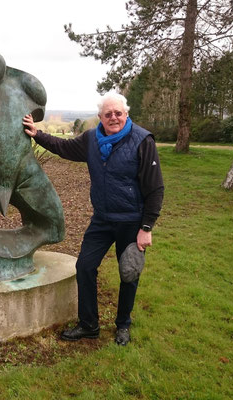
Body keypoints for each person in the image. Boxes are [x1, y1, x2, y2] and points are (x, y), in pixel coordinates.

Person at [22, 91, 164, 346]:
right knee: (85, 267)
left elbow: (155, 188)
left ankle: (123, 325)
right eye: (108, 114)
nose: (113, 117)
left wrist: (146, 227)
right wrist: (37, 134)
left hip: (132, 221)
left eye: (118, 113)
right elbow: (63, 147)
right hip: (102, 219)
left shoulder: (143, 141)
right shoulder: (91, 140)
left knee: (129, 272)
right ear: (100, 117)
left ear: (126, 114)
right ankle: (89, 325)